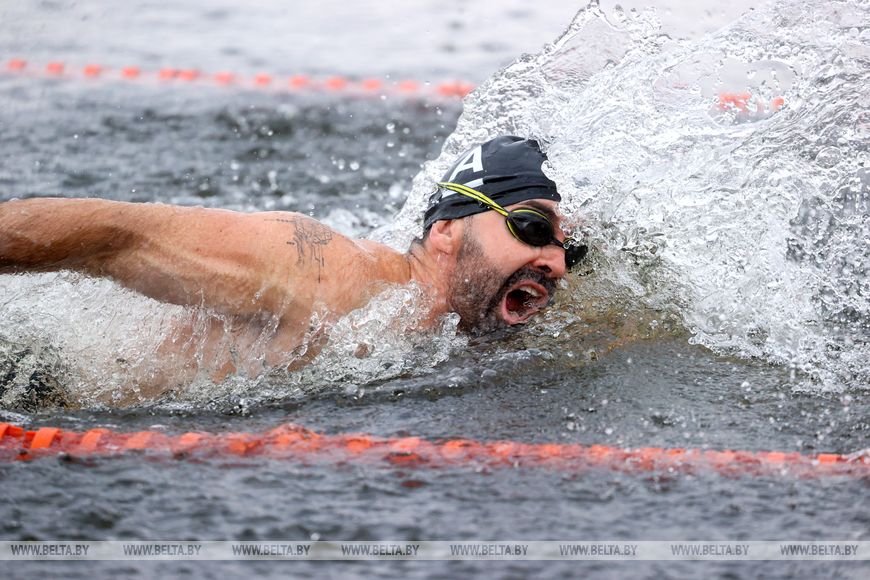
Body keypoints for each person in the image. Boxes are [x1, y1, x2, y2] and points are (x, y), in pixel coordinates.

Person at [0, 136, 586, 398]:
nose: (556, 263)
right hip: (37, 386)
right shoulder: (328, 274)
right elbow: (115, 235)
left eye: (570, 248)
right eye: (532, 228)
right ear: (446, 232)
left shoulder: (470, 325)